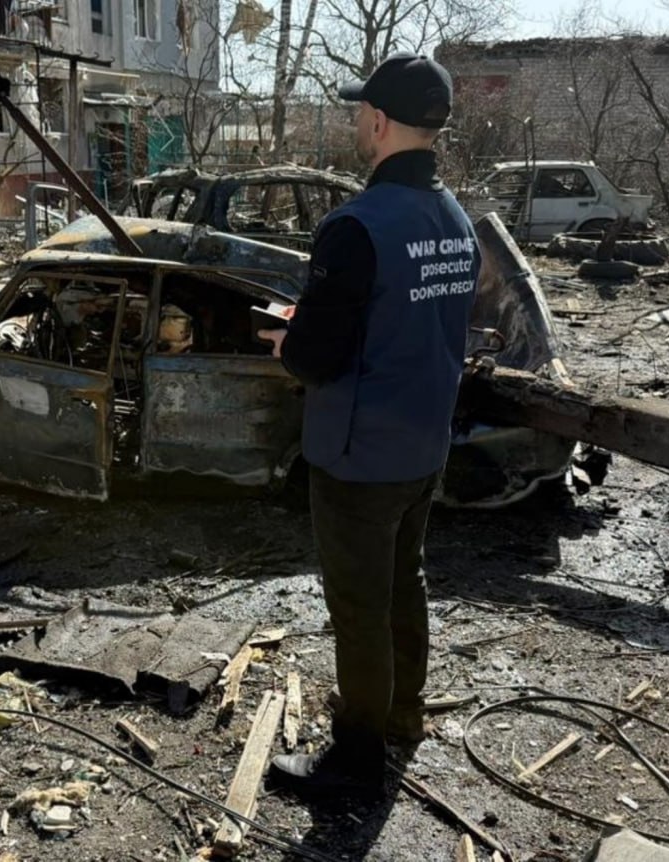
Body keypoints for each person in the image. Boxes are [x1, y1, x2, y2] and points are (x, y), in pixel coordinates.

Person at [257, 52, 480, 796]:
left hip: (358, 456)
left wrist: (291, 340)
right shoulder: (456, 220)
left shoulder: (355, 226)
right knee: (404, 586)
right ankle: (402, 717)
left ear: (379, 122)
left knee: (358, 609)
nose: (358, 120)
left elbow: (316, 359)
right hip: (423, 446)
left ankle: (355, 761)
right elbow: (410, 315)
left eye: (361, 111)